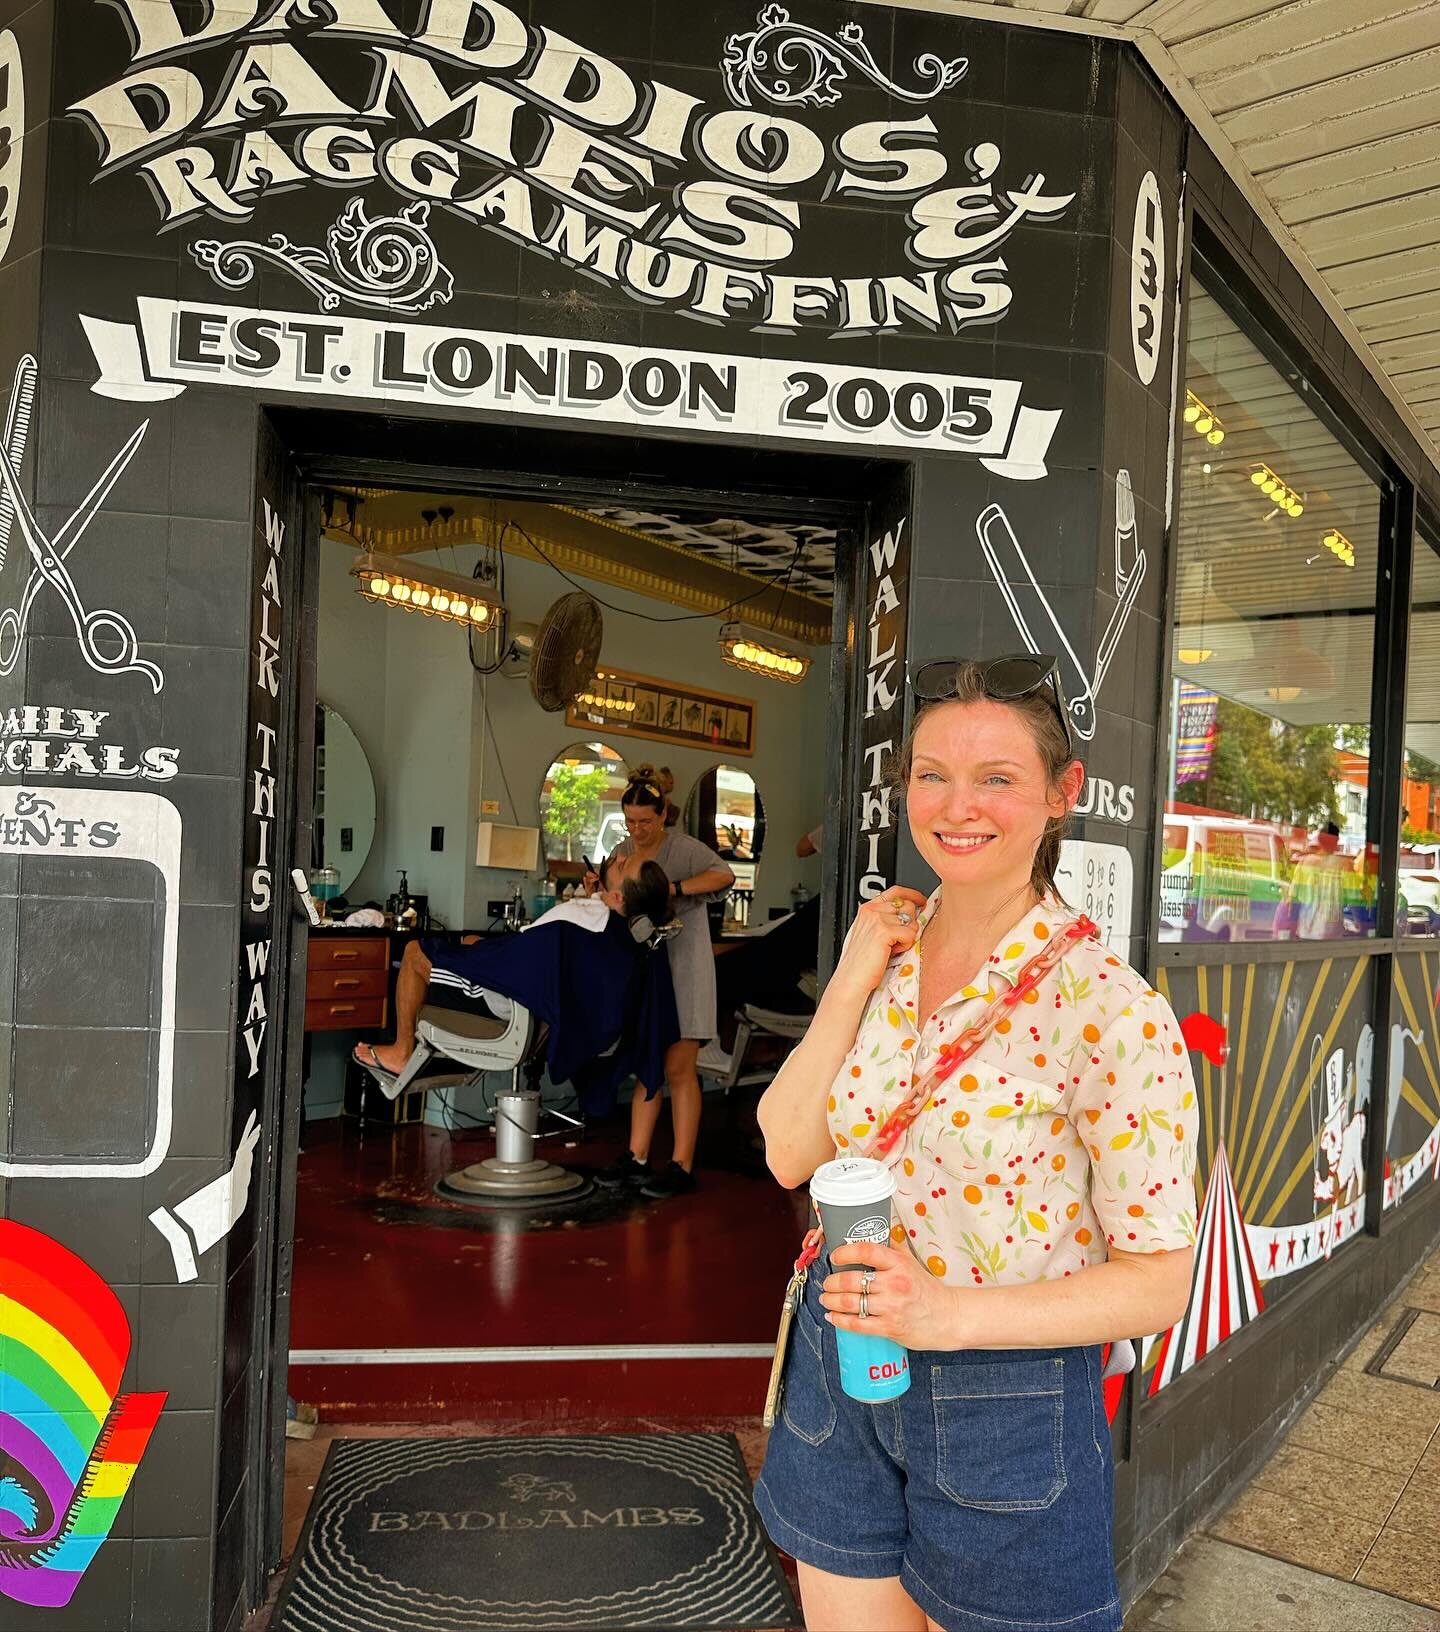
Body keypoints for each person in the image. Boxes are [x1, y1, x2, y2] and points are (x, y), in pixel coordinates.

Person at [753, 655, 1197, 1632]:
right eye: (930, 773)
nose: (957, 805)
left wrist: (946, 1313)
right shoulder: (892, 954)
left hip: (1007, 1400)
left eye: (996, 777)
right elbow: (789, 1151)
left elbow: (1162, 1282)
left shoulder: (1111, 1012)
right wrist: (854, 973)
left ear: (1060, 795)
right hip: (846, 1357)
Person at [355, 857, 673, 1079]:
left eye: (622, 865)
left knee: (414, 953)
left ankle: (402, 1050)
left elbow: (525, 951)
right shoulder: (616, 933)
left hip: (507, 1003)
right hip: (546, 1016)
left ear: (616, 894)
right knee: (471, 941)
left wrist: (477, 954)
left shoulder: (579, 916)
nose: (616, 859)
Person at [593, 772, 735, 1198]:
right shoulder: (621, 852)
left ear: (663, 816)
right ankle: (636, 1157)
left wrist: (674, 888)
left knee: (678, 1069)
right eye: (630, 822)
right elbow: (612, 896)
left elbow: (724, 876)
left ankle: (681, 1165)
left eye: (645, 822)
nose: (638, 830)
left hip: (685, 970)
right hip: (645, 973)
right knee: (646, 1065)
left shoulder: (684, 849)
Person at [1285, 821, 1347, 940]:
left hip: (1306, 929)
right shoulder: (1342, 864)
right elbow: (1353, 897)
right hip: (1332, 931)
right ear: (1336, 841)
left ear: (1319, 840)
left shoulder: (1305, 862)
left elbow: (1292, 897)